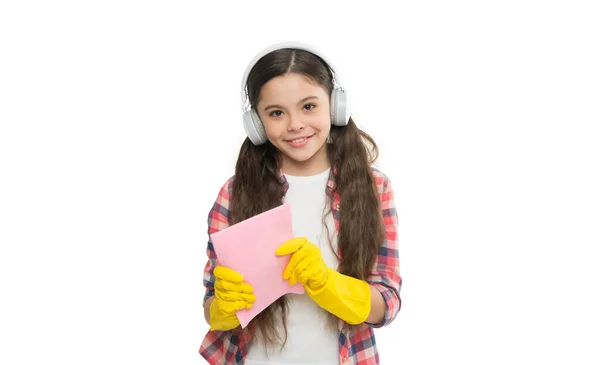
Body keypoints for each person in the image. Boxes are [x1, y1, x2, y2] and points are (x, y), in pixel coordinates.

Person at [199, 41, 401, 365]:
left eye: (308, 106)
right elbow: (211, 307)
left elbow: (387, 303)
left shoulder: (375, 188)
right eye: (277, 113)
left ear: (335, 105)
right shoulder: (234, 193)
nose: (295, 125)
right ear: (256, 123)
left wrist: (327, 283)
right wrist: (223, 307)